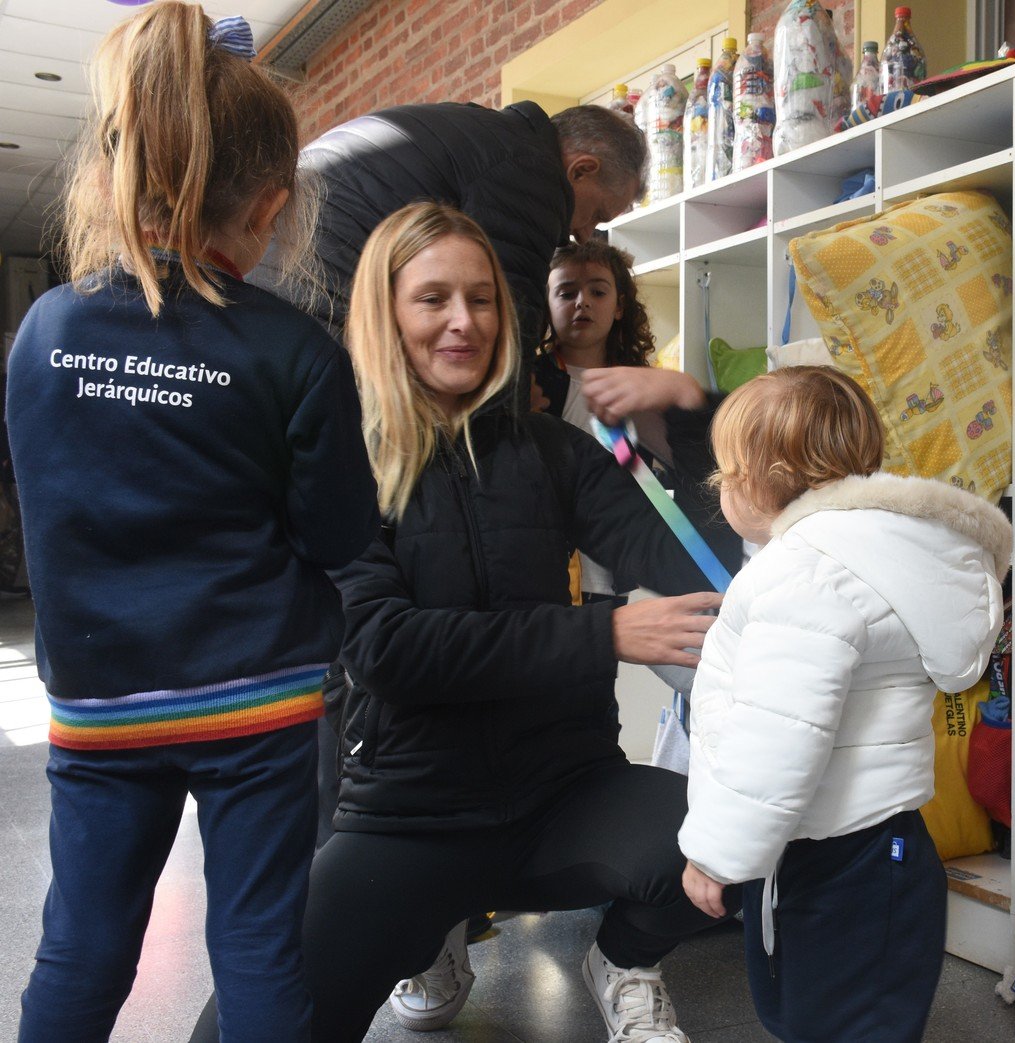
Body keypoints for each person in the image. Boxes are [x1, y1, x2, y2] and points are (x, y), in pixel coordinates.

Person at [193, 201, 723, 1043]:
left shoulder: (555, 451)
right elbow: (385, 650)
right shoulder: (340, 465)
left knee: (760, 840)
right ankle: (427, 937)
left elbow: (698, 562)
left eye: (480, 299)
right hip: (411, 817)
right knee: (246, 1027)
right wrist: (605, 630)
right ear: (386, 312)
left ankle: (621, 958)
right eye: (432, 298)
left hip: (566, 792)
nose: (463, 322)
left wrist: (688, 409)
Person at [6, 4, 380, 1042]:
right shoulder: (291, 350)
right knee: (257, 946)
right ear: (269, 203)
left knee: (81, 945)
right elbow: (341, 534)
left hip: (100, 696)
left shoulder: (45, 330)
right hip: (253, 695)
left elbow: (52, 498)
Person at [677, 367, 1011, 1042]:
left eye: (722, 474)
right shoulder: (857, 559)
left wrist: (716, 851)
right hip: (854, 842)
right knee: (817, 1014)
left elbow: (779, 734)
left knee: (840, 1021)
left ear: (761, 477)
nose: (719, 489)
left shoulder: (803, 575)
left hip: (841, 852)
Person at [253, 99, 647, 350]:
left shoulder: (484, 132)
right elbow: (510, 330)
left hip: (270, 269)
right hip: (313, 296)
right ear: (581, 170)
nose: (582, 234)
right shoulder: (533, 175)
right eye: (597, 215)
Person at [535, 238, 744, 592]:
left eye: (598, 292)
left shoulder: (643, 389)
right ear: (546, 305)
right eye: (566, 293)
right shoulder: (531, 384)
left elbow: (692, 471)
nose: (582, 302)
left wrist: (683, 400)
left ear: (620, 306)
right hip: (551, 559)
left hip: (625, 562)